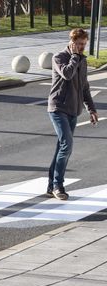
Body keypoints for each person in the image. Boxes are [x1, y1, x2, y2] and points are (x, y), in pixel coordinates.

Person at [47, 28, 98, 200]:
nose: (82, 47)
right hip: (58, 108)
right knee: (67, 145)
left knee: (62, 146)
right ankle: (57, 185)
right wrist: (75, 57)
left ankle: (50, 184)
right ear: (71, 42)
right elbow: (67, 74)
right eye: (79, 44)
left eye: (84, 44)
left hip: (73, 111)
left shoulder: (82, 60)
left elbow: (84, 87)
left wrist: (91, 109)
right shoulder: (59, 57)